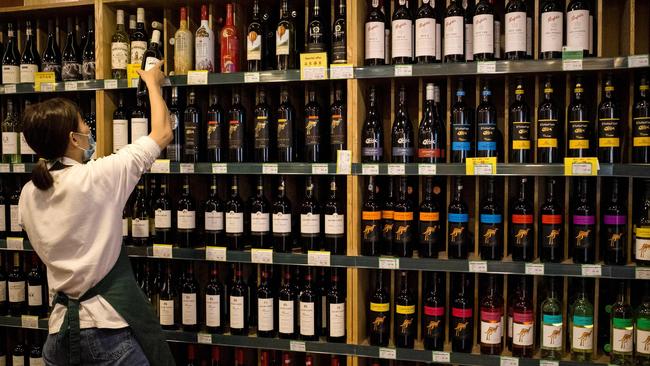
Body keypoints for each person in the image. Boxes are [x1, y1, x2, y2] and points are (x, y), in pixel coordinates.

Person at [18, 60, 174, 366]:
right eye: (83, 124)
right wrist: (153, 83)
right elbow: (163, 132)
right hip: (108, 334)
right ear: (73, 139)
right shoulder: (98, 176)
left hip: (58, 335)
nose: (89, 128)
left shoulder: (27, 194)